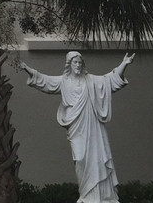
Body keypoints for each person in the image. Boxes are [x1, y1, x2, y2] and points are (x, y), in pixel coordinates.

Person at [20, 52, 134, 203]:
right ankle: (86, 195)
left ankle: (103, 197)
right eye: (75, 63)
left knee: (98, 159)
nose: (78, 65)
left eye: (80, 63)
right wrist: (28, 69)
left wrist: (124, 64)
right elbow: (45, 81)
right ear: (69, 65)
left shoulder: (91, 80)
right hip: (77, 127)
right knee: (80, 159)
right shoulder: (64, 81)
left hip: (93, 126)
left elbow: (110, 80)